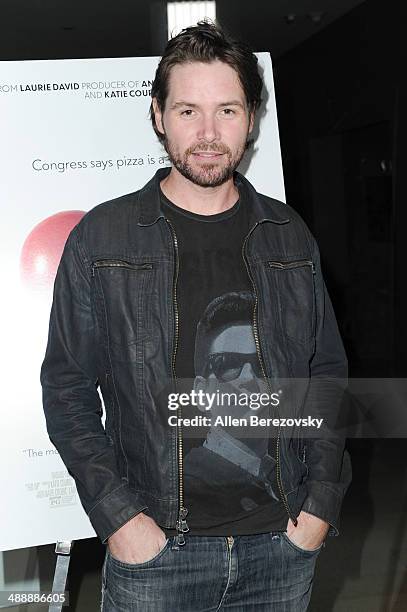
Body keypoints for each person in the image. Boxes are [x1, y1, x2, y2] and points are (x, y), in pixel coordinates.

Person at [41, 20, 351, 611]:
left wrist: (320, 504)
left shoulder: (289, 235)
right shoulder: (101, 239)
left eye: (227, 110)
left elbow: (325, 377)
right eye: (188, 111)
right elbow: (67, 389)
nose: (208, 133)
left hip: (281, 548)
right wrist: (120, 518)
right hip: (155, 553)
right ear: (158, 115)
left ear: (252, 117)